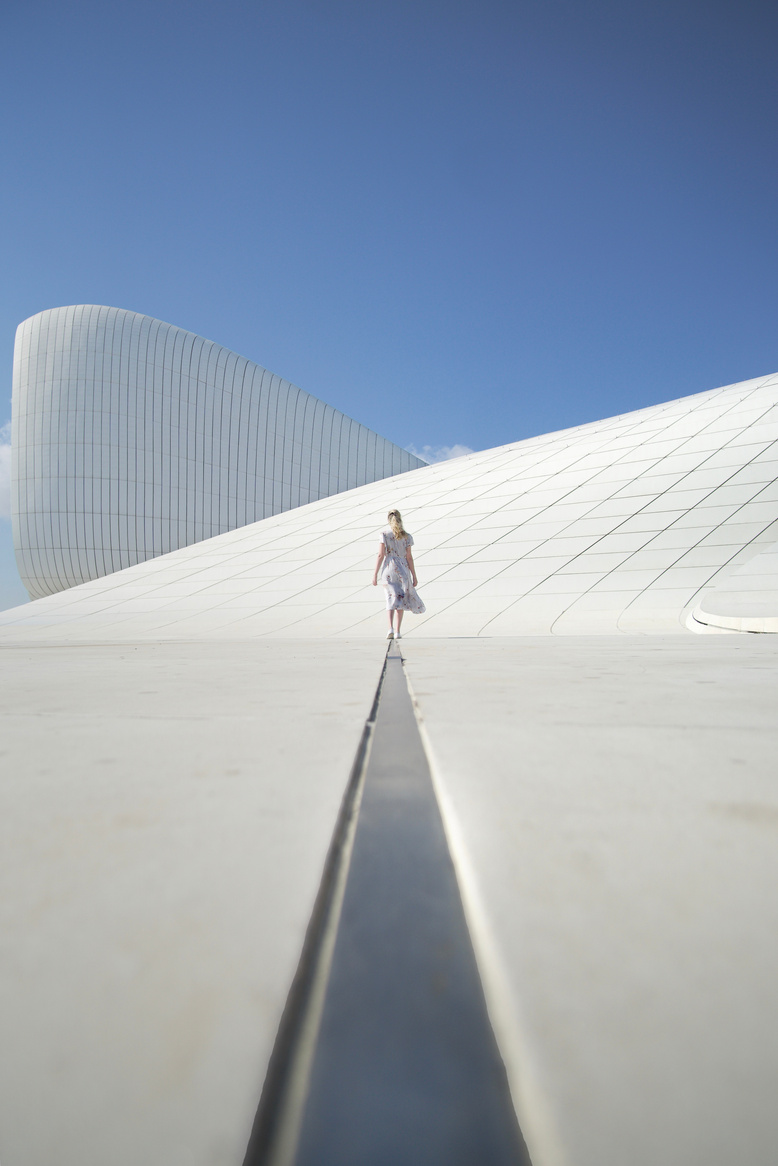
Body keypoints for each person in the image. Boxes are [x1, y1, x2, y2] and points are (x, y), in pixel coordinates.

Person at [372, 509, 425, 639]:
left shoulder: (384, 534)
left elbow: (380, 555)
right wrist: (414, 575)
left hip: (388, 568)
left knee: (390, 598)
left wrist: (375, 574)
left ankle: (389, 628)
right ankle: (397, 631)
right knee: (399, 599)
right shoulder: (407, 537)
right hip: (402, 569)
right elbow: (409, 557)